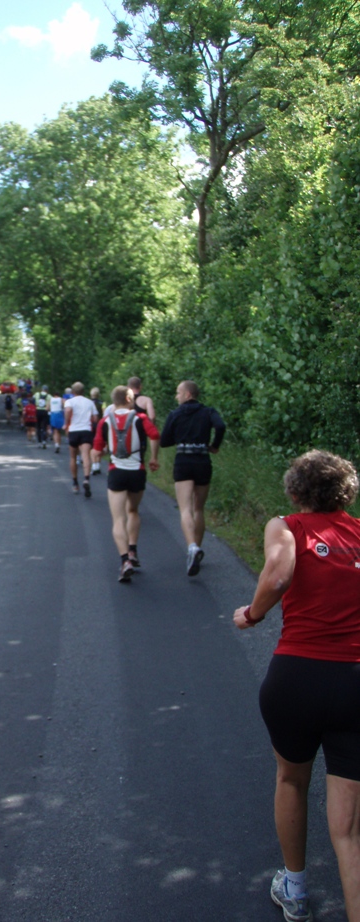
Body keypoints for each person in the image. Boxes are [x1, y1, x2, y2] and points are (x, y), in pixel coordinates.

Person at [233, 450, 360, 922]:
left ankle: (296, 888)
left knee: (291, 778)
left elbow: (280, 573)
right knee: (350, 832)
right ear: (347, 492)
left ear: (294, 490)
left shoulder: (285, 526)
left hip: (297, 677)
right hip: (354, 681)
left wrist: (252, 614)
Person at [93, 386, 160, 581]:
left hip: (117, 473)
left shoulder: (105, 421)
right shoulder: (141, 418)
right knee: (133, 511)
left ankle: (125, 561)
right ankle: (132, 550)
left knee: (118, 519)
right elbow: (155, 435)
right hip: (137, 472)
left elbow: (97, 450)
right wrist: (153, 458)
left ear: (113, 400)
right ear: (130, 398)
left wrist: (101, 455)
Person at [160, 380, 225, 575]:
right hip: (203, 461)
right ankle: (197, 545)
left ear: (188, 394)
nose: (176, 396)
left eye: (178, 393)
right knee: (198, 508)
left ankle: (192, 548)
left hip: (184, 461)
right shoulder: (208, 412)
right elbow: (220, 426)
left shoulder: (175, 414)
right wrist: (215, 445)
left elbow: (164, 441)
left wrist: (178, 437)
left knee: (185, 508)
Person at [64, 382, 98, 497]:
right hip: (86, 431)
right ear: (84, 391)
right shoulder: (90, 402)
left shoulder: (69, 401)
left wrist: (66, 423)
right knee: (85, 455)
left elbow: (68, 411)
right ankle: (86, 479)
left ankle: (75, 483)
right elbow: (95, 418)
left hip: (73, 430)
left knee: (73, 457)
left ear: (73, 392)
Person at [89, 388, 105, 475]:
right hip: (100, 425)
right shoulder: (102, 403)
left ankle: (94, 465)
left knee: (92, 446)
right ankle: (98, 465)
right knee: (99, 445)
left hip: (91, 425)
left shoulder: (88, 403)